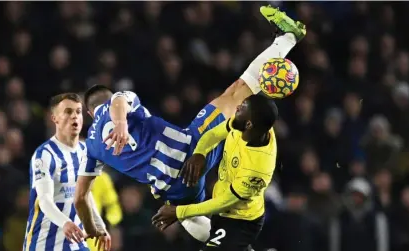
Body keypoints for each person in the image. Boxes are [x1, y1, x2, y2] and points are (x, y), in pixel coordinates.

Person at [75, 5, 305, 242]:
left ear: (90, 113)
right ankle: (288, 37)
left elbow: (80, 199)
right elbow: (119, 101)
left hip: (176, 189)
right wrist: (121, 122)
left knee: (187, 216)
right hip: (191, 150)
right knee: (237, 92)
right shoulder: (118, 100)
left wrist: (93, 229)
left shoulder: (90, 149)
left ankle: (234, 247)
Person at [152, 95, 279, 250]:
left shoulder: (256, 170)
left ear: (249, 124)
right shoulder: (247, 125)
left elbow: (223, 203)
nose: (237, 108)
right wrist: (199, 153)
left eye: (243, 107)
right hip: (223, 207)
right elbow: (213, 134)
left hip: (240, 221)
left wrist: (179, 212)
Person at [23, 93, 110, 251]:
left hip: (75, 241)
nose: (74, 117)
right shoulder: (44, 155)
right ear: (54, 118)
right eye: (68, 112)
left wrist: (99, 226)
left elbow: (85, 194)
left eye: (78, 112)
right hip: (44, 243)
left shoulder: (87, 151)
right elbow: (44, 200)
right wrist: (65, 223)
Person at [86, 170, 123, 251]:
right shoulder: (60, 175)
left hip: (94, 233)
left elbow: (113, 206)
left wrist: (110, 225)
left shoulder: (101, 177)